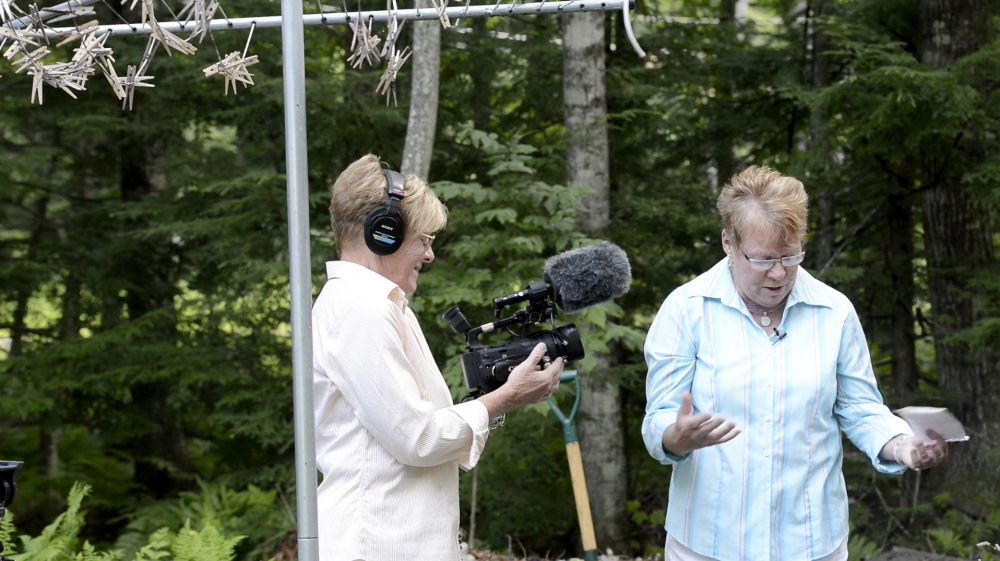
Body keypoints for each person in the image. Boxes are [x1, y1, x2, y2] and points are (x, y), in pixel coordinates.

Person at [641, 165, 949, 561]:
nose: (779, 272)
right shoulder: (686, 310)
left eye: (791, 255)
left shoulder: (834, 311)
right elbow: (660, 416)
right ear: (727, 243)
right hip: (708, 543)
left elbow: (860, 408)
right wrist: (674, 438)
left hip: (811, 542)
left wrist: (902, 445)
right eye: (763, 258)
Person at [313, 154, 564, 561]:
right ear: (383, 234)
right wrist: (507, 398)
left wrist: (501, 398)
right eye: (424, 240)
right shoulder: (362, 308)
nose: (429, 256)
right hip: (377, 546)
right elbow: (420, 439)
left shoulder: (381, 305)